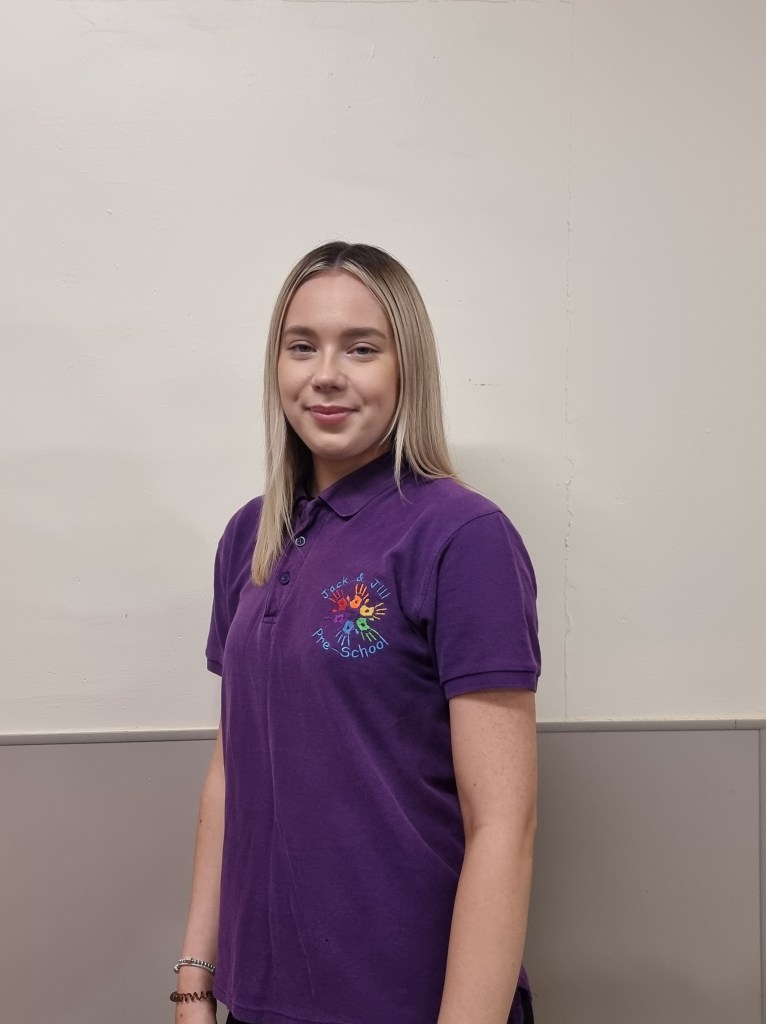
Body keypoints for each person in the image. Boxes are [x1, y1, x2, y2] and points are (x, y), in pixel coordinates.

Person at [173, 242, 541, 1024]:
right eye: (302, 346)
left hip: (413, 1003)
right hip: (258, 1002)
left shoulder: (462, 535)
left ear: (408, 369)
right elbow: (229, 772)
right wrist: (195, 981)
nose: (327, 374)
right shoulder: (249, 538)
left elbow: (503, 825)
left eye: (362, 348)